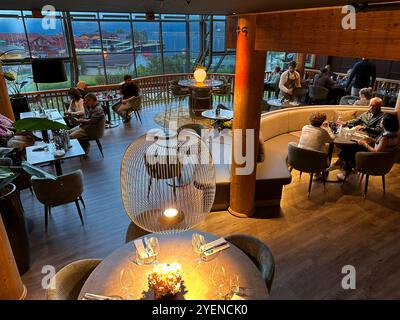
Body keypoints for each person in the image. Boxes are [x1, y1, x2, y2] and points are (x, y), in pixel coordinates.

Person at [336, 113, 399, 180]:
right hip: (385, 160)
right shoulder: (396, 134)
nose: (381, 122)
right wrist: (372, 139)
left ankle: (341, 167)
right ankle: (344, 167)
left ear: (387, 123)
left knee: (351, 148)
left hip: (374, 160)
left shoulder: (385, 137)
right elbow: (384, 146)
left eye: (382, 121)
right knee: (353, 147)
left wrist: (365, 144)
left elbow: (377, 152)